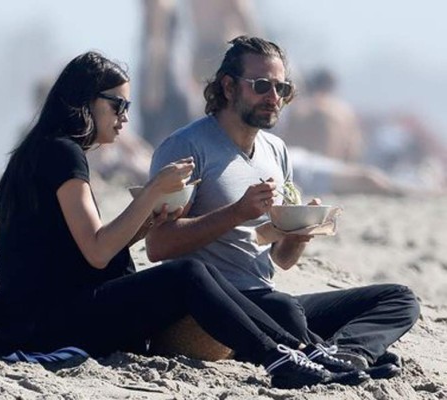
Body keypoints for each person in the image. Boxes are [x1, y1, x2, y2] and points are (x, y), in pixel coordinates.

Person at [0, 51, 367, 390]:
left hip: (58, 305)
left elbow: (86, 247)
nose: (124, 118)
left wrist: (149, 220)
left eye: (127, 107)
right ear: (83, 102)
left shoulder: (48, 152)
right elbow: (97, 252)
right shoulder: (61, 153)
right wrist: (153, 192)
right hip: (57, 316)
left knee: (199, 279)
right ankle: (282, 360)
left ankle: (300, 352)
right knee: (189, 272)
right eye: (117, 105)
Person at [148, 36, 420, 378]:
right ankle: (319, 353)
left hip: (265, 295)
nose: (274, 98)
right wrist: (235, 213)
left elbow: (280, 260)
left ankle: (347, 354)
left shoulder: (275, 150)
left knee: (399, 299)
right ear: (229, 87)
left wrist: (296, 233)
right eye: (262, 86)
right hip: (211, 307)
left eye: (282, 88)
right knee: (285, 310)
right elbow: (158, 246)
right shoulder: (186, 147)